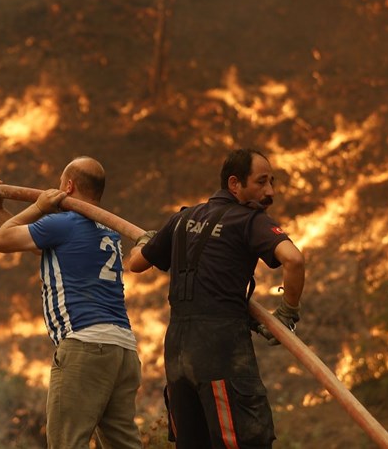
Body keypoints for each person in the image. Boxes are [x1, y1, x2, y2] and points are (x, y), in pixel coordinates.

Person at [123, 148, 305, 448]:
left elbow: (137, 263)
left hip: (178, 351)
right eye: (261, 182)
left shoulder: (182, 219)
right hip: (222, 351)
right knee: (243, 441)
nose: (269, 191)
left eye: (271, 182)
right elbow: (294, 260)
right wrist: (287, 313)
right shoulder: (250, 220)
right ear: (235, 184)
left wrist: (146, 242)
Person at [0, 156, 143, 449]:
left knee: (66, 443)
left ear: (68, 186)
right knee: (124, 444)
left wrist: (37, 207)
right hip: (123, 351)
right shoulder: (108, 232)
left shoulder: (63, 223)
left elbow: (1, 241)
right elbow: (34, 245)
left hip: (85, 346)